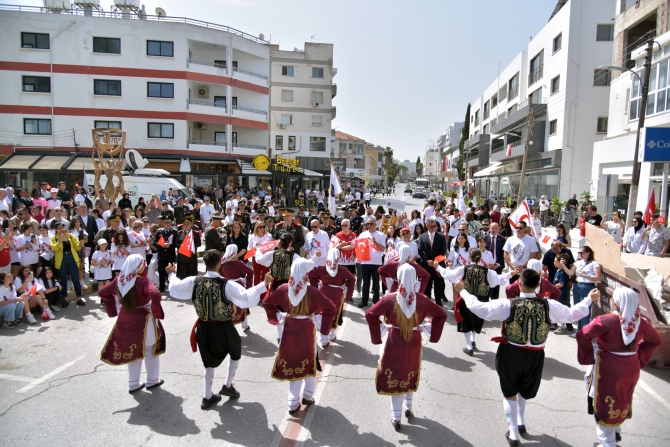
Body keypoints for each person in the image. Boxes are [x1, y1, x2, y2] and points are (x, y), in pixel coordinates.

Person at [453, 269, 595, 447]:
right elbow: (573, 313)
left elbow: (480, 308)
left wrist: (463, 290)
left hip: (511, 352)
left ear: (519, 284)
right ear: (538, 286)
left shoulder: (509, 305)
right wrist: (589, 299)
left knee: (509, 391)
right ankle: (520, 422)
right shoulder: (549, 305)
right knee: (523, 389)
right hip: (535, 355)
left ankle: (513, 433)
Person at [167, 250, 271, 409]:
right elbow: (245, 298)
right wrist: (263, 285)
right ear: (219, 264)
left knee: (208, 362)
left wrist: (171, 274)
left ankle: (207, 396)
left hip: (204, 326)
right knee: (235, 352)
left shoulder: (194, 281)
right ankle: (228, 385)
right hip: (224, 327)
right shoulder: (227, 284)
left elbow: (175, 288)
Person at [365, 264, 447, 431]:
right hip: (414, 341)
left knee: (395, 375)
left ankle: (396, 418)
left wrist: (383, 328)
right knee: (410, 372)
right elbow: (442, 314)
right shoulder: (422, 299)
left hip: (395, 340)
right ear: (415, 278)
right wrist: (426, 328)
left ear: (399, 277)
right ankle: (408, 407)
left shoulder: (390, 298)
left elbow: (370, 314)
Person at [576, 288, 662, 447]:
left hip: (607, 367)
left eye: (613, 298)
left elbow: (582, 335)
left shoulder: (604, 320)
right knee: (622, 397)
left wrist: (588, 355)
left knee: (602, 400)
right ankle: (615, 431)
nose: (611, 300)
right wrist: (638, 356)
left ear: (616, 302)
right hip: (630, 367)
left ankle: (608, 443)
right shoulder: (642, 323)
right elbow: (656, 341)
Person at [263, 258, 336, 414]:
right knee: (309, 360)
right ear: (306, 273)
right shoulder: (313, 292)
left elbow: (267, 302)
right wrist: (319, 322)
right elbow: (331, 308)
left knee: (293, 361)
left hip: (289, 328)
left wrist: (281, 316)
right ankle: (307, 395)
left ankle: (292, 402)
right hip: (306, 329)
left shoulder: (283, 288)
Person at [99, 254, 165, 393]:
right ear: (139, 266)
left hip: (125, 321)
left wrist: (113, 309)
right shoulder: (142, 281)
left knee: (133, 351)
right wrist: (155, 310)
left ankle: (133, 383)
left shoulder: (119, 280)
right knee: (149, 350)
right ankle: (152, 380)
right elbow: (155, 294)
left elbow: (102, 291)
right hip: (143, 321)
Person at [435, 248, 514, 355]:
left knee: (466, 321)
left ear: (469, 257)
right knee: (475, 319)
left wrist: (437, 267)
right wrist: (510, 274)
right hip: (482, 300)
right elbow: (499, 279)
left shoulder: (464, 269)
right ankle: (473, 340)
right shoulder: (487, 271)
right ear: (480, 258)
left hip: (466, 299)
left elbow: (449, 274)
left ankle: (469, 346)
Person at [308, 248, 355, 341]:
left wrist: (316, 286)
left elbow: (311, 275)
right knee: (335, 313)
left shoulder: (322, 268)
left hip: (323, 292)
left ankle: (323, 337)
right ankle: (332, 334)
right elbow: (352, 279)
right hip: (337, 294)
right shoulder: (342, 269)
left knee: (323, 312)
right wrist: (348, 292)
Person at [564, 245, 601, 334]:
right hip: (577, 285)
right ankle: (579, 331)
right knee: (578, 308)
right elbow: (570, 272)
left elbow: (598, 277)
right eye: (579, 253)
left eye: (582, 253)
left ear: (588, 253)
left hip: (587, 286)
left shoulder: (594, 264)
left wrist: (585, 276)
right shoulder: (578, 263)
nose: (580, 254)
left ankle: (584, 331)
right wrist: (563, 265)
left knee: (585, 308)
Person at [218, 245, 254, 331]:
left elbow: (219, 274)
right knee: (243, 304)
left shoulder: (222, 263)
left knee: (229, 304)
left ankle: (230, 325)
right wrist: (247, 283)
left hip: (227, 286)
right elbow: (250, 272)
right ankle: (244, 325)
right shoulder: (239, 263)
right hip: (238, 285)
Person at [51, 222, 85, 307]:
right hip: (62, 260)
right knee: (63, 279)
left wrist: (80, 243)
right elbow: (54, 248)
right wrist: (60, 241)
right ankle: (65, 299)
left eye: (63, 228)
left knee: (75, 278)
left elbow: (77, 247)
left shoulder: (70, 235)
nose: (62, 230)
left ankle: (79, 298)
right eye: (59, 228)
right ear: (56, 230)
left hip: (72, 258)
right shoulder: (54, 238)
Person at [417, 217, 448, 307]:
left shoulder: (441, 236)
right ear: (427, 226)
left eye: (435, 226)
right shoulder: (422, 237)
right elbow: (420, 250)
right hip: (426, 265)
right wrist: (428, 260)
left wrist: (435, 261)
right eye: (431, 226)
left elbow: (443, 250)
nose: (433, 228)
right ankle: (426, 302)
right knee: (426, 285)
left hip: (438, 265)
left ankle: (438, 303)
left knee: (438, 284)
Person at [358, 217, 386, 308]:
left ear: (375, 225)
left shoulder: (381, 235)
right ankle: (364, 300)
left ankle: (376, 300)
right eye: (367, 224)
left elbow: (383, 248)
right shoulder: (362, 234)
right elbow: (359, 247)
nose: (369, 225)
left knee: (376, 282)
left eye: (371, 224)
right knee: (365, 282)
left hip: (376, 262)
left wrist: (375, 242)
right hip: (365, 262)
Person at [153, 215, 177, 293]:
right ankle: (162, 287)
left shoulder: (174, 232)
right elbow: (154, 242)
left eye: (169, 222)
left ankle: (172, 286)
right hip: (162, 255)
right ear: (163, 223)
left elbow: (176, 243)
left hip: (170, 255)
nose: (167, 224)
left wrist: (169, 245)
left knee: (170, 272)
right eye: (166, 223)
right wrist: (161, 245)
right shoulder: (159, 231)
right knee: (161, 271)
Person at [175, 213, 201, 279]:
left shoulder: (195, 233)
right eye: (185, 224)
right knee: (182, 276)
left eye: (188, 224)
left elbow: (199, 243)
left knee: (192, 276)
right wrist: (182, 245)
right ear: (183, 225)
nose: (187, 226)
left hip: (192, 258)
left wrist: (191, 245)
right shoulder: (179, 233)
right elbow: (175, 244)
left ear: (191, 224)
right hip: (182, 259)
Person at [551, 253, 573, 335]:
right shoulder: (558, 270)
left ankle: (563, 327)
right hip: (559, 294)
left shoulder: (563, 272)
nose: (554, 263)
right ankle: (568, 326)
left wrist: (552, 287)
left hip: (563, 295)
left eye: (556, 262)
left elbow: (561, 284)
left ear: (561, 263)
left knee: (562, 310)